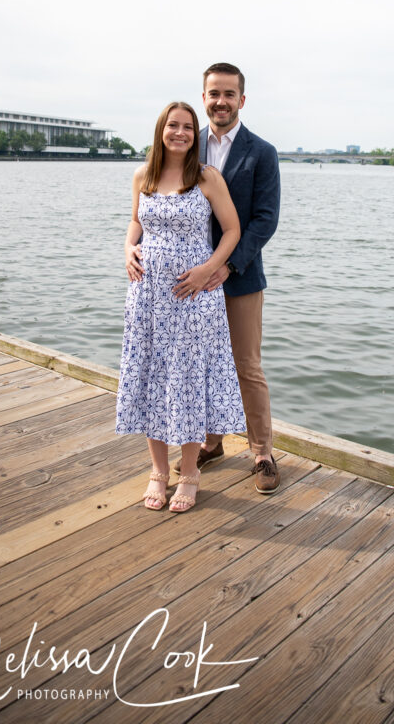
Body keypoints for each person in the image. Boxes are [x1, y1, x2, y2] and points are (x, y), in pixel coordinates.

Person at [116, 101, 245, 513]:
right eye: (173, 126)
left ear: (195, 134)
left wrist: (208, 269)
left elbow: (232, 229)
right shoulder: (143, 175)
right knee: (152, 375)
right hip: (148, 296)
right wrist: (126, 248)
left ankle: (189, 472)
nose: (180, 133)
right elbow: (137, 223)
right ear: (161, 130)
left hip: (192, 296)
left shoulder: (206, 177)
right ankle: (158, 471)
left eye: (188, 127)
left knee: (188, 380)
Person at [172, 62, 281, 493]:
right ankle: (212, 442)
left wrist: (226, 266)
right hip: (190, 280)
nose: (220, 101)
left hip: (238, 278)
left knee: (246, 367)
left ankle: (262, 452)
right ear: (204, 98)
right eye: (213, 93)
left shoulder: (262, 152)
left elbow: (264, 221)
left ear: (242, 99)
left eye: (229, 94)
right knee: (201, 365)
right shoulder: (184, 146)